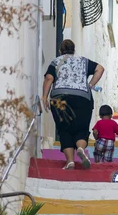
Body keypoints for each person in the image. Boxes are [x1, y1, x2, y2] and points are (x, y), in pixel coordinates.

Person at [42, 39, 104, 170]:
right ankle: (80, 148)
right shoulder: (83, 61)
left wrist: (44, 97)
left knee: (64, 129)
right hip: (83, 97)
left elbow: (49, 78)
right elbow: (100, 69)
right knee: (81, 129)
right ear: (74, 50)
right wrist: (90, 85)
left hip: (60, 97)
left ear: (60, 51)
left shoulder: (56, 61)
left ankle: (70, 161)